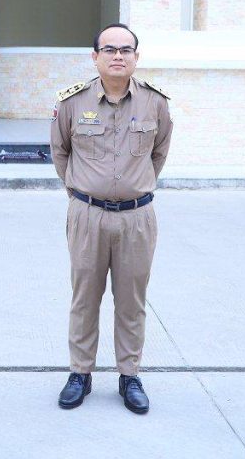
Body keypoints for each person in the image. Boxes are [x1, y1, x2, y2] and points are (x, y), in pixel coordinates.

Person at [50, 23, 173, 414]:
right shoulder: (72, 102)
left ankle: (129, 375)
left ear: (136, 56)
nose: (118, 56)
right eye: (109, 49)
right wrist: (83, 192)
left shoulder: (155, 103)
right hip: (87, 215)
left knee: (132, 301)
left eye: (125, 50)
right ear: (95, 57)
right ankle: (80, 373)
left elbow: (159, 153)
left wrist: (134, 187)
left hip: (137, 218)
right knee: (84, 298)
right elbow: (60, 153)